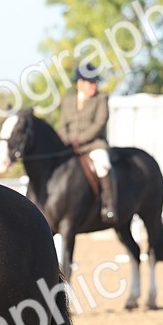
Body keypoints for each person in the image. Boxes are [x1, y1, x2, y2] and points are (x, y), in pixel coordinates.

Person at [58, 61, 116, 224]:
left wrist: (79, 140)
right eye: (90, 82)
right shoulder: (68, 100)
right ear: (80, 83)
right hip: (70, 146)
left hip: (93, 145)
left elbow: (99, 124)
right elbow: (62, 125)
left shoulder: (101, 99)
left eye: (95, 82)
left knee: (103, 164)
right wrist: (65, 140)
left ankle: (108, 204)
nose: (94, 85)